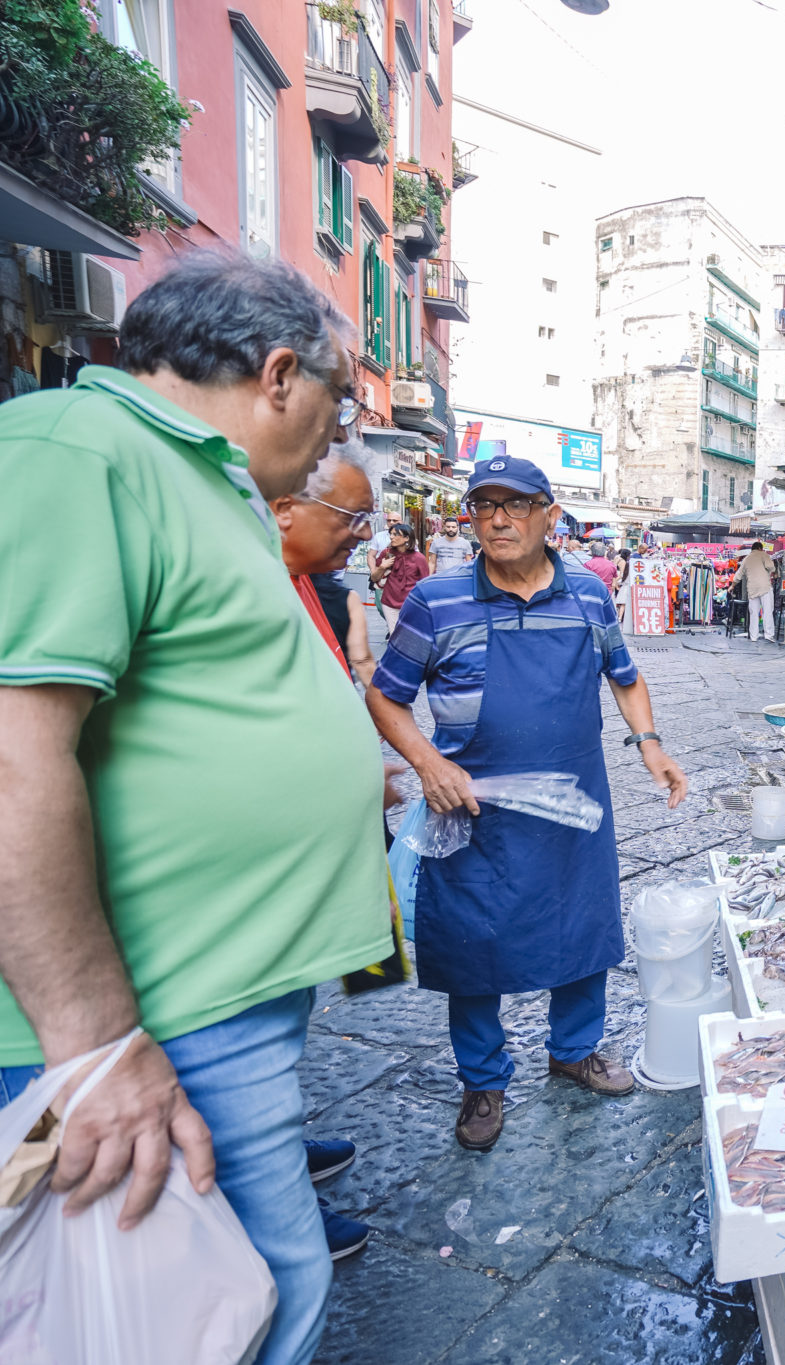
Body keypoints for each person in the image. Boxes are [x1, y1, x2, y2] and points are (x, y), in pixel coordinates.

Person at [0, 252, 388, 1365]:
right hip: (148, 1014)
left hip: (210, 996)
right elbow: (13, 757)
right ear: (279, 374)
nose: (339, 431)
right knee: (219, 1310)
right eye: (339, 400)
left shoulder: (200, 477)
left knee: (236, 1299)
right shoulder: (76, 452)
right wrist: (95, 1045)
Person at [366, 456, 689, 1151]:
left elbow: (624, 676)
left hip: (573, 802)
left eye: (516, 505)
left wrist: (650, 744)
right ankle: (483, 1080)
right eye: (485, 506)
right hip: (473, 808)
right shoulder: (436, 600)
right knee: (471, 942)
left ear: (550, 515)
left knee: (582, 928)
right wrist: (428, 762)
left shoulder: (590, 596)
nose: (499, 520)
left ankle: (574, 1050)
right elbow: (385, 696)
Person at [268, 440, 386, 1262]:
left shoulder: (308, 581)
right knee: (257, 1032)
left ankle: (277, 1145)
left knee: (289, 1016)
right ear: (286, 509)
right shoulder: (253, 585)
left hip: (302, 859)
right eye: (351, 516)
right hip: (259, 871)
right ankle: (271, 1191)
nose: (363, 534)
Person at [374, 524, 430, 632]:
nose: (391, 537)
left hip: (411, 604)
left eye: (395, 534)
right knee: (394, 634)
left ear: (406, 538)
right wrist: (382, 567)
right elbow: (374, 578)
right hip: (389, 602)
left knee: (409, 635)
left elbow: (425, 584)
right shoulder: (386, 553)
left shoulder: (419, 558)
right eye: (390, 534)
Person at [739, 539, 777, 642]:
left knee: (753, 613)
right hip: (764, 587)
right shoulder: (764, 555)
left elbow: (739, 574)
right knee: (767, 611)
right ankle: (768, 635)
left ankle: (754, 636)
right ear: (760, 548)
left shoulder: (746, 558)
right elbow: (771, 568)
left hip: (752, 588)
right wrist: (770, 570)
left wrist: (732, 586)